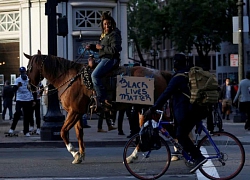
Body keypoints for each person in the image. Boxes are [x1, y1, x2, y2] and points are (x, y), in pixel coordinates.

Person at [145, 53, 208, 173]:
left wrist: (153, 108)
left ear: (176, 64)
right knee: (180, 132)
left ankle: (198, 157)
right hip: (195, 110)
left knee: (181, 135)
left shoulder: (178, 77)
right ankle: (191, 157)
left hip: (189, 112)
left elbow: (166, 94)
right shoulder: (187, 74)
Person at [86, 12, 122, 108]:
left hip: (111, 59)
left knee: (94, 75)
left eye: (108, 23)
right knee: (87, 71)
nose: (107, 26)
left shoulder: (114, 34)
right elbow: (100, 48)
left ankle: (102, 98)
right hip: (104, 58)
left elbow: (115, 49)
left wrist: (101, 47)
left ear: (112, 23)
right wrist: (92, 47)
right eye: (105, 24)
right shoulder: (104, 35)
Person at [8, 67, 35, 137]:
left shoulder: (29, 80)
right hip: (20, 99)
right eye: (22, 72)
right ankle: (12, 128)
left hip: (28, 99)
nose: (23, 73)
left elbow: (31, 91)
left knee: (27, 116)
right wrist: (17, 86)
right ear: (20, 73)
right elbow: (13, 90)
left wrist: (32, 100)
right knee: (18, 113)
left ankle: (26, 131)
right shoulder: (18, 80)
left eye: (24, 72)